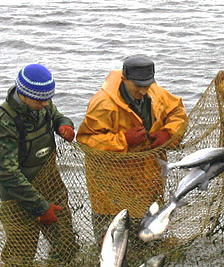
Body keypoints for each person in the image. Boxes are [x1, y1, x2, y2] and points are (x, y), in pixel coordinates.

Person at [76, 56, 188, 239]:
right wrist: (123, 140)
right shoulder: (103, 104)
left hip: (149, 184)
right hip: (111, 189)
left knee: (149, 239)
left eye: (147, 85)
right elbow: (86, 139)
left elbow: (177, 112)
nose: (143, 91)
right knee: (112, 243)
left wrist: (168, 133)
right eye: (138, 86)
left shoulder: (155, 93)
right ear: (125, 79)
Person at [0, 63, 79, 267]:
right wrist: (41, 207)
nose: (45, 103)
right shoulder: (0, 123)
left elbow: (56, 115)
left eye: (48, 98)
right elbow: (8, 175)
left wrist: (65, 124)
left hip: (51, 186)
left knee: (67, 247)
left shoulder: (43, 105)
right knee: (20, 258)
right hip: (19, 198)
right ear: (23, 94)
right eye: (40, 99)